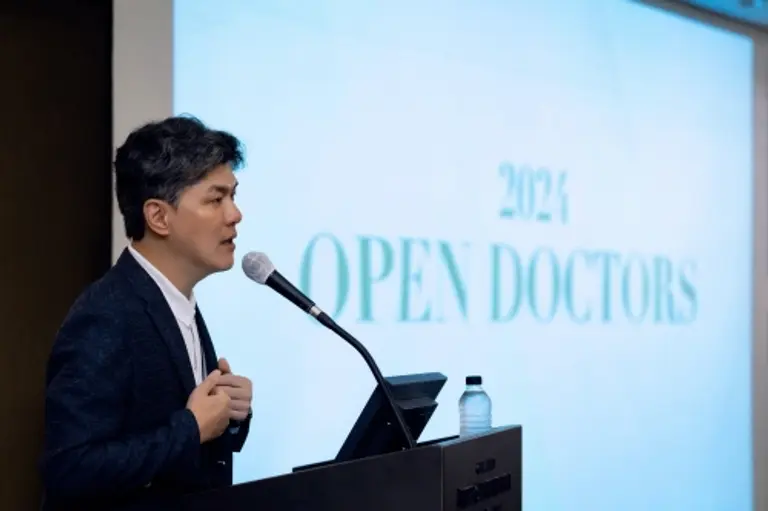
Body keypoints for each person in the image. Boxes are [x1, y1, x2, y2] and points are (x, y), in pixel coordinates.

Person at [40, 116, 253, 510]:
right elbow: (70, 468)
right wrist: (191, 428)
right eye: (215, 199)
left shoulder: (177, 301)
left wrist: (229, 416)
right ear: (158, 217)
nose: (234, 214)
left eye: (233, 196)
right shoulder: (105, 315)